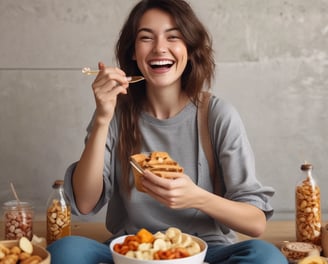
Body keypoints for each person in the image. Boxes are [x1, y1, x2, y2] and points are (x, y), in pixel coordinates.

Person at [47, 0, 288, 263]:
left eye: (173, 37)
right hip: (132, 250)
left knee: (266, 257)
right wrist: (103, 118)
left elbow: (255, 223)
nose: (160, 48)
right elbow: (84, 203)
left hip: (207, 252)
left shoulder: (217, 115)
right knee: (65, 251)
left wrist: (196, 197)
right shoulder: (114, 112)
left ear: (189, 48)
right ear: (132, 52)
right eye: (146, 38)